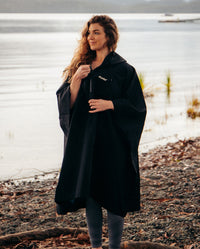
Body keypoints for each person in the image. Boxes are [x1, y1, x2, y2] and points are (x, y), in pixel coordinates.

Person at [55, 15, 146, 249]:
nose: (90, 37)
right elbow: (67, 105)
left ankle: (114, 246)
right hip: (86, 143)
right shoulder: (80, 68)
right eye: (88, 33)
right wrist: (75, 81)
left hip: (113, 143)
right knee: (92, 195)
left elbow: (137, 107)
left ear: (109, 36)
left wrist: (111, 104)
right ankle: (96, 246)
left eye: (96, 32)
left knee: (114, 196)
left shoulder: (124, 70)